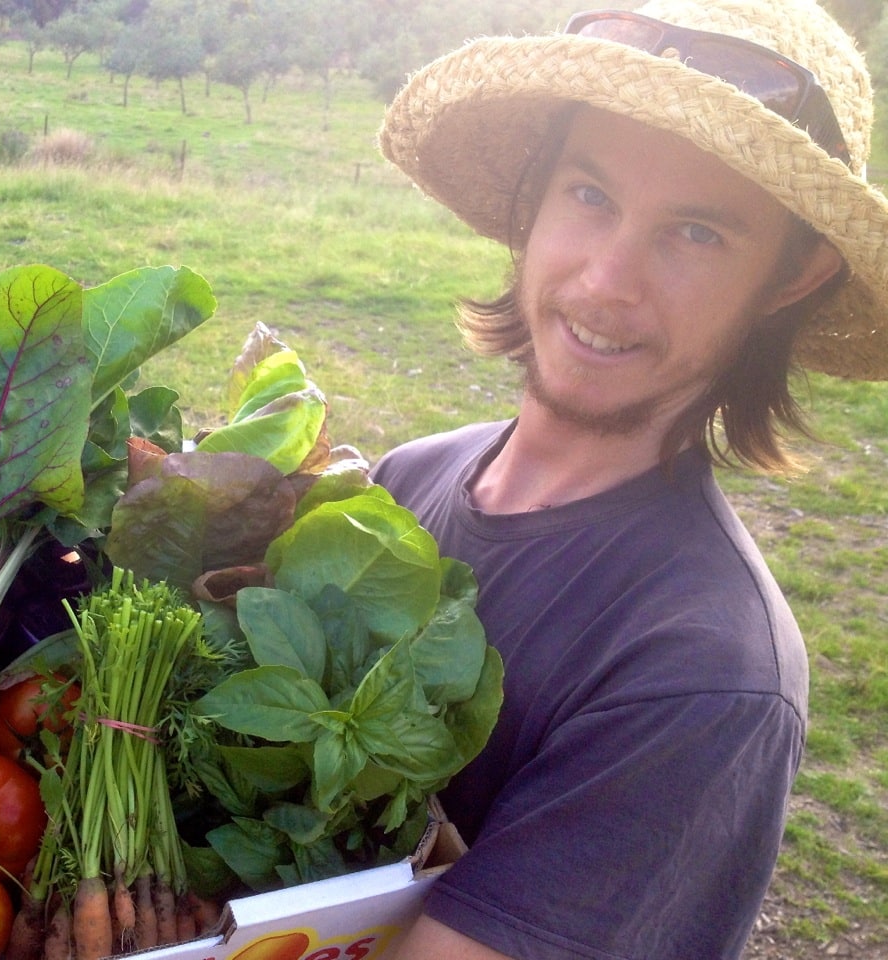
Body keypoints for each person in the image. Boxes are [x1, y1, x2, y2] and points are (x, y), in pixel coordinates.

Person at [371, 0, 888, 957]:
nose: (607, 281)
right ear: (536, 195)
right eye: (591, 195)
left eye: (697, 232)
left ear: (794, 276)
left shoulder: (703, 679)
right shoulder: (406, 479)